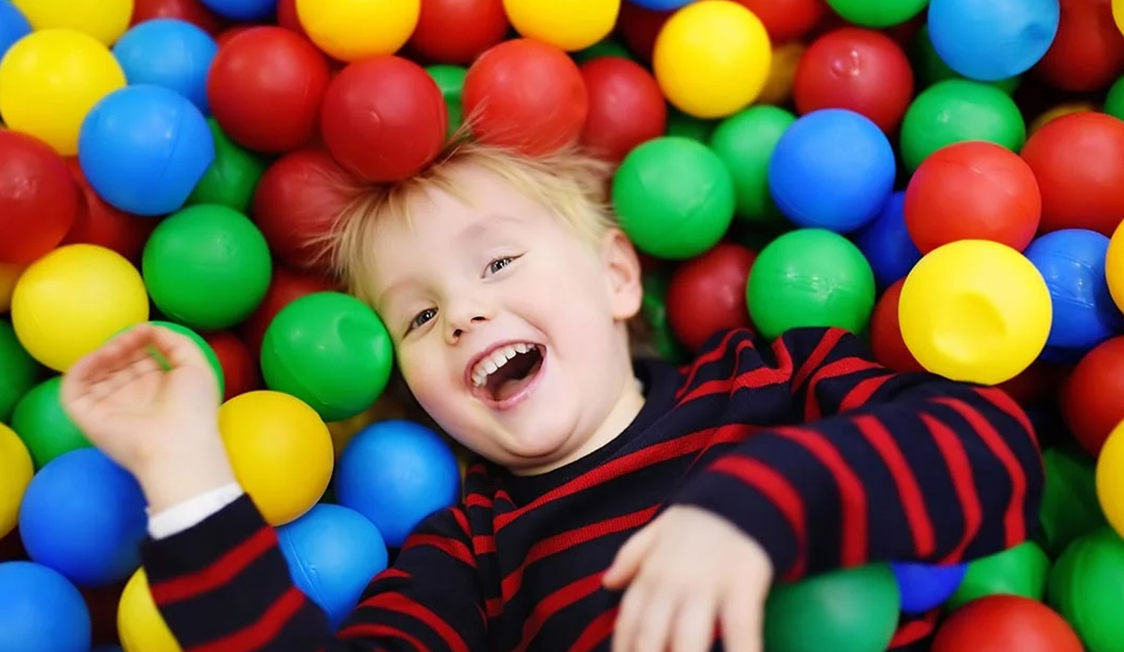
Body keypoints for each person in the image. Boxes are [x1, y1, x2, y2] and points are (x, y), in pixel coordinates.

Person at [61, 139, 1044, 652]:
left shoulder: (768, 382)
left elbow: (994, 451)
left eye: (495, 261)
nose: (460, 316)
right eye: (415, 318)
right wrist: (180, 466)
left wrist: (754, 507)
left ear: (618, 276)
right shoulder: (473, 553)